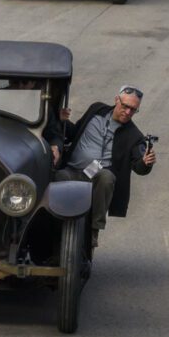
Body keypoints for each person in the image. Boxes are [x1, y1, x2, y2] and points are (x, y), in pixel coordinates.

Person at [51, 87, 156, 247]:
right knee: (58, 178)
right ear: (116, 100)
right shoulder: (96, 110)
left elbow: (139, 166)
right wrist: (61, 120)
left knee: (107, 177)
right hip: (72, 170)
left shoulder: (134, 136)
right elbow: (74, 132)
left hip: (96, 178)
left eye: (133, 109)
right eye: (125, 106)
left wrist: (146, 162)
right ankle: (54, 229)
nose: (128, 112)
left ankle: (95, 228)